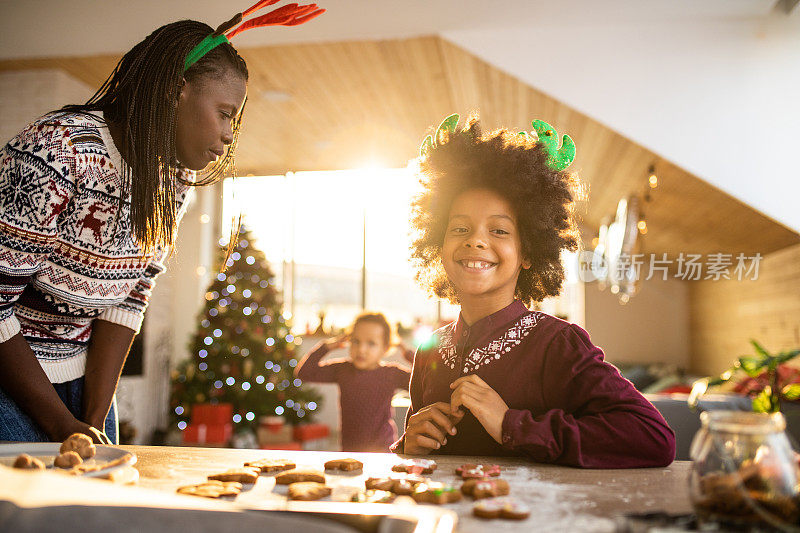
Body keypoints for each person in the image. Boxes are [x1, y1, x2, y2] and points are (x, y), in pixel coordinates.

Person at [0, 2, 325, 444]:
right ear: (177, 90)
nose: (231, 134)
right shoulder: (58, 149)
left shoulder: (173, 179)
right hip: (12, 382)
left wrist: (93, 420)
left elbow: (129, 298)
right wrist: (60, 426)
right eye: (226, 113)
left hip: (80, 385)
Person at [392, 115, 676, 468]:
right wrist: (411, 444)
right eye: (460, 227)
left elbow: (653, 438)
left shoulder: (558, 344)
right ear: (438, 243)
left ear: (528, 253)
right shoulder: (429, 351)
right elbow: (422, 466)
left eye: (499, 231)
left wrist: (511, 424)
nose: (476, 239)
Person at [295, 312, 411, 452]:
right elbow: (304, 373)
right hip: (349, 449)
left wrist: (409, 355)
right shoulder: (343, 370)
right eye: (356, 341)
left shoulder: (391, 373)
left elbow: (423, 380)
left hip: (382, 450)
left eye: (371, 343)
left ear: (385, 348)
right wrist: (326, 346)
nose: (361, 349)